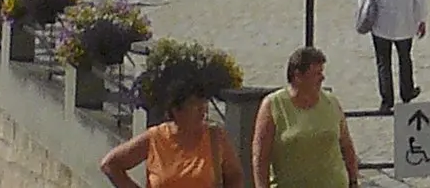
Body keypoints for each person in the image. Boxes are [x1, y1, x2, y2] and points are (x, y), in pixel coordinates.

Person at [100, 61, 245, 188]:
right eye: (194, 104)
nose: (203, 110)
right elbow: (110, 165)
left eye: (204, 103)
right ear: (176, 109)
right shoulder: (156, 138)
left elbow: (234, 176)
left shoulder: (215, 137)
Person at [251, 51, 358, 188]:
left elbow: (347, 146)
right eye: (317, 74)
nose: (322, 78)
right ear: (298, 76)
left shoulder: (331, 102)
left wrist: (354, 180)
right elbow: (260, 157)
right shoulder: (274, 105)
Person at [353, 0, 428, 113]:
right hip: (405, 23)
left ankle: (387, 100)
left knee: (383, 62)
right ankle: (407, 91)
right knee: (405, 58)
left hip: (381, 23)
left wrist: (362, 13)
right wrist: (421, 19)